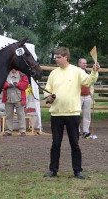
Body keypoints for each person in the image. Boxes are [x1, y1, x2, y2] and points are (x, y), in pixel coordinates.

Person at [44, 47, 99, 179]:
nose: (55, 59)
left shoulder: (77, 71)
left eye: (58, 57)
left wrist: (94, 71)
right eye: (55, 57)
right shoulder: (53, 73)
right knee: (55, 143)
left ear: (65, 57)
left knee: (74, 144)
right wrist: (48, 97)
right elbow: (47, 90)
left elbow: (89, 81)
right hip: (56, 114)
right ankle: (53, 170)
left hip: (72, 113)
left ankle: (77, 171)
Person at [2, 69, 29, 136]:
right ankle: (8, 131)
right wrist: (8, 85)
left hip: (19, 98)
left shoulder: (22, 75)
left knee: (21, 115)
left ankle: (22, 131)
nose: (13, 69)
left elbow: (25, 85)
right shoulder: (5, 74)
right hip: (8, 97)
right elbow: (2, 84)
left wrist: (17, 84)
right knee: (8, 115)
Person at [78, 58, 94, 138]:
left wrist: (91, 95)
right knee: (77, 114)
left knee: (87, 115)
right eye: (83, 63)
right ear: (79, 64)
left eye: (86, 63)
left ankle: (86, 131)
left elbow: (91, 84)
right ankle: (76, 131)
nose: (85, 64)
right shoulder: (76, 72)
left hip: (87, 96)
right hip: (78, 96)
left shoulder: (88, 73)